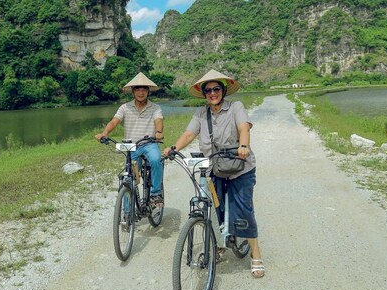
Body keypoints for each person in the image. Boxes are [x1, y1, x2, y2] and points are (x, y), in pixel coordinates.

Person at [163, 69, 264, 278]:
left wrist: (243, 145)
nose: (212, 93)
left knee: (244, 209)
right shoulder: (201, 113)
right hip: (213, 168)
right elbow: (189, 133)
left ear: (223, 90)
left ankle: (255, 255)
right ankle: (218, 245)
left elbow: (244, 127)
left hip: (240, 166)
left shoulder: (235, 107)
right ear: (204, 94)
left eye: (216, 89)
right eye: (208, 90)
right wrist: (174, 149)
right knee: (212, 207)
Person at [95, 72, 165, 206]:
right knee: (128, 178)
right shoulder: (125, 107)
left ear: (148, 91)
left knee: (156, 159)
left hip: (149, 143)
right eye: (137, 89)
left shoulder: (155, 107)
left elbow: (159, 121)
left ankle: (156, 193)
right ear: (132, 91)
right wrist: (105, 133)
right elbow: (114, 121)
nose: (141, 92)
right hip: (131, 146)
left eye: (144, 89)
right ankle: (127, 215)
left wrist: (158, 132)